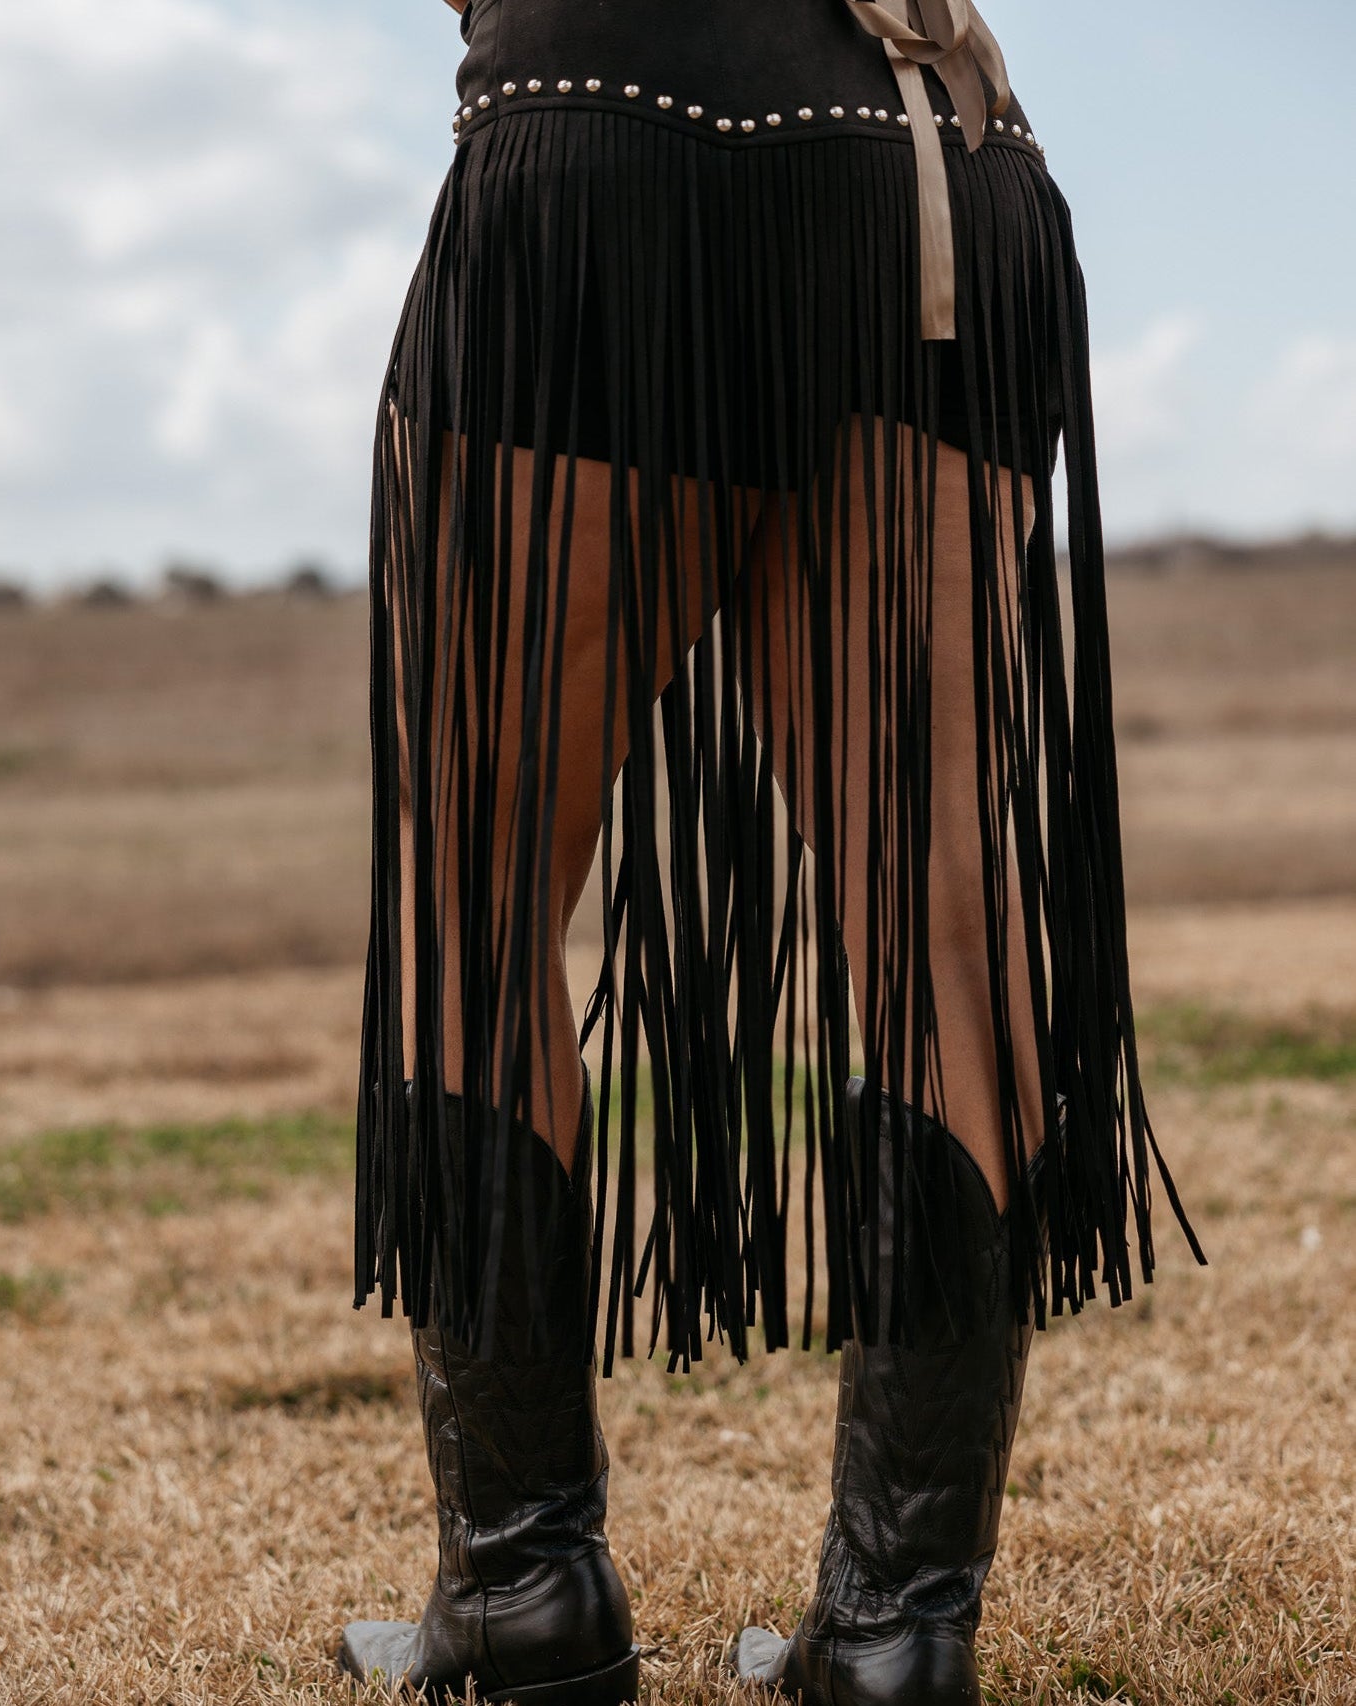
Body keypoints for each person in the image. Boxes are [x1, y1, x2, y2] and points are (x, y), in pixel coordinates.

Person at [340, 2, 1207, 1702]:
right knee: (947, 931)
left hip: (615, 131)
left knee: (477, 905)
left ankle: (522, 1594)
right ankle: (894, 1637)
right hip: (939, 172)